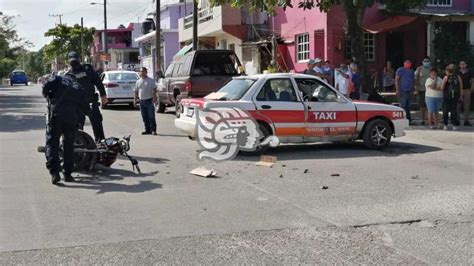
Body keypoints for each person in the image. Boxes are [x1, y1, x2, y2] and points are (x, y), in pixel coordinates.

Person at [42, 74, 89, 184]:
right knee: (69, 145)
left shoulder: (57, 79)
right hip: (71, 119)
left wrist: (48, 95)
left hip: (56, 116)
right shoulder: (78, 87)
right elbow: (85, 107)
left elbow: (45, 88)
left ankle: (54, 172)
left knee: (52, 144)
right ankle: (67, 174)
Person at [66, 51, 107, 142]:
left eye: (75, 61)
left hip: (90, 101)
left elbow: (98, 82)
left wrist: (103, 95)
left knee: (97, 123)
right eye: (72, 61)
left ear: (79, 60)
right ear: (69, 62)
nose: (74, 63)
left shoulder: (87, 69)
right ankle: (80, 144)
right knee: (78, 126)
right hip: (77, 105)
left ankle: (100, 142)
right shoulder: (68, 75)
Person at [133, 67, 158, 135]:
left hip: (149, 101)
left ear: (146, 72)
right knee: (144, 116)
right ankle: (147, 130)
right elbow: (135, 91)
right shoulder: (138, 81)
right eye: (141, 71)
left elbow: (154, 90)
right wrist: (135, 100)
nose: (142, 73)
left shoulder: (151, 81)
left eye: (143, 71)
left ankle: (153, 130)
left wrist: (154, 99)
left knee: (151, 116)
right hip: (141, 101)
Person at [440, 64, 463, 130]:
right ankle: (454, 125)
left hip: (446, 96)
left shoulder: (446, 77)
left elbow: (442, 88)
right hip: (455, 96)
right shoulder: (458, 77)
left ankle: (445, 124)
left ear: (447, 71)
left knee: (445, 110)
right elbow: (461, 87)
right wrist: (461, 96)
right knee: (454, 110)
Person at [415, 57, 431, 125]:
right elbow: (416, 78)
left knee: (429, 105)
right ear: (422, 61)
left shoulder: (432, 69)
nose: (426, 62)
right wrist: (416, 88)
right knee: (422, 105)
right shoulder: (419, 68)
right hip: (421, 89)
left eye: (427, 61)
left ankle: (429, 119)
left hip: (430, 90)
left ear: (430, 62)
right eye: (425, 61)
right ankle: (422, 119)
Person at [458, 61, 473, 126]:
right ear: (459, 65)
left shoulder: (470, 72)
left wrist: (471, 90)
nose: (462, 65)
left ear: (466, 65)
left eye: (464, 64)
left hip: (467, 90)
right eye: (461, 64)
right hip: (459, 91)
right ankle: (457, 120)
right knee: (458, 106)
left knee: (466, 106)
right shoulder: (457, 73)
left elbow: (472, 81)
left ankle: (466, 121)